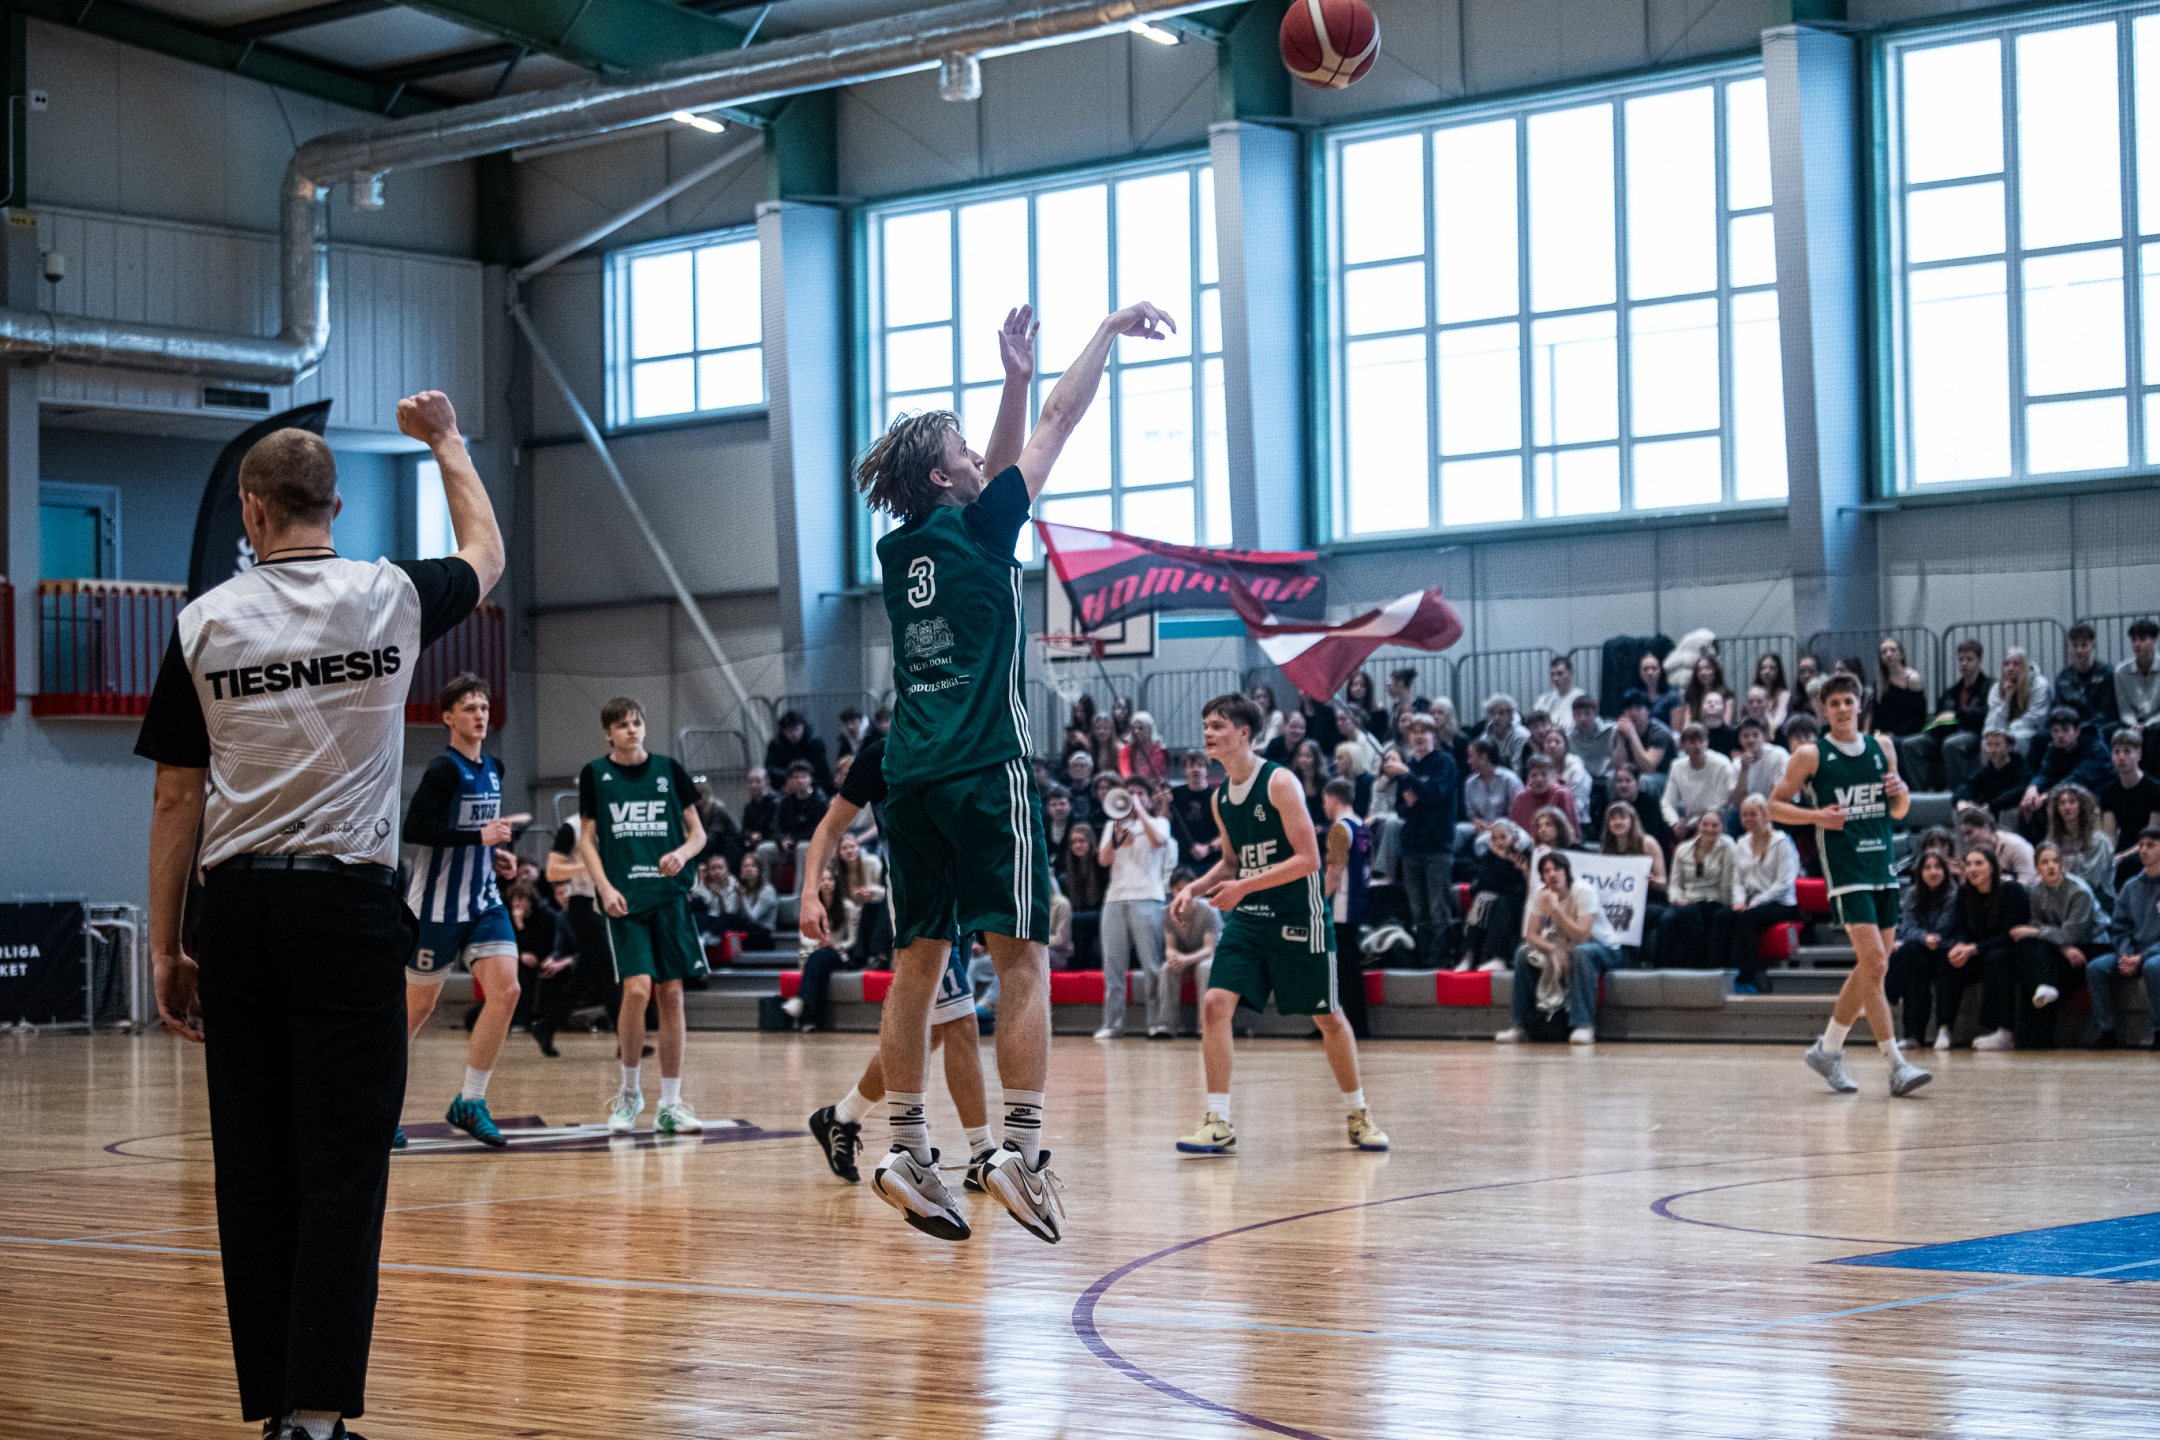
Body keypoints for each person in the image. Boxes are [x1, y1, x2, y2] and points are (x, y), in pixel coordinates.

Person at [136, 391, 500, 1440]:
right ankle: (319, 1417)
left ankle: (273, 1407)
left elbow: (175, 797)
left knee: (254, 1165)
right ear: (335, 506)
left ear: (251, 511)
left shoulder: (202, 624)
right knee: (342, 1162)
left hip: (240, 913)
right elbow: (484, 552)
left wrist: (166, 946)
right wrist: (446, 442)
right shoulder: (389, 596)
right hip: (348, 911)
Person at [857, 297, 1170, 1244]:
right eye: (960, 448)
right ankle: (1020, 1153)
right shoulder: (985, 530)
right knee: (1021, 958)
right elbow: (1057, 425)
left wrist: (1011, 380)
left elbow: (992, 469)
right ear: (942, 475)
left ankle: (906, 1149)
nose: (976, 456)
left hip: (909, 778)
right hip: (985, 768)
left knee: (917, 965)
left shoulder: (901, 548)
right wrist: (1104, 333)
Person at [1169, 694, 1389, 1155]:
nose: (1207, 732)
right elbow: (1232, 862)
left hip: (1297, 915)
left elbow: (1309, 860)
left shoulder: (1280, 782)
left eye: (1217, 725)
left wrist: (1243, 887)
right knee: (1214, 1004)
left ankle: (1359, 1113)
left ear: (1244, 733)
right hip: (1250, 918)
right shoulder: (1221, 798)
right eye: (1205, 725)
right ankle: (1218, 1120)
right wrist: (1194, 888)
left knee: (1328, 1016)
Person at [800, 733, 998, 1193]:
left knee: (931, 1032)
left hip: (959, 898)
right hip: (919, 901)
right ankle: (983, 1155)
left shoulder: (966, 739)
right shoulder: (883, 753)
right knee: (962, 1022)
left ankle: (842, 1116)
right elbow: (829, 828)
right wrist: (809, 894)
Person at [1771, 672, 1933, 1097]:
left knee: (1874, 967)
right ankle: (1895, 1064)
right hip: (1846, 870)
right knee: (1875, 962)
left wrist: (1902, 791)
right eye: (1835, 703)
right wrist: (1816, 817)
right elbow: (1774, 806)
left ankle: (1828, 1049)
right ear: (1824, 710)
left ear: (1860, 705)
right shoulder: (1811, 755)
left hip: (1883, 864)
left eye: (1849, 701)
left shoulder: (1883, 747)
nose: (1843, 709)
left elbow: (1898, 811)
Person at [398, 674, 523, 1150]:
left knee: (507, 991)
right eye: (470, 708)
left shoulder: (495, 767)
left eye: (484, 707)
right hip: (435, 906)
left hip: (484, 900)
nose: (480, 715)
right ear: (448, 717)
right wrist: (479, 838)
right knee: (416, 1009)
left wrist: (497, 854)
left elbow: (482, 832)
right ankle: (379, 1105)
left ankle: (471, 1101)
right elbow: (415, 829)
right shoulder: (442, 770)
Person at [576, 698, 709, 1135]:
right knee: (636, 991)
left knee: (672, 994)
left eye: (636, 722)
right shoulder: (596, 775)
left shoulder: (669, 770)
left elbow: (698, 833)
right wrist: (604, 887)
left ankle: (670, 1104)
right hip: (625, 899)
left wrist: (681, 853)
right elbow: (587, 841)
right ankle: (629, 1094)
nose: (631, 729)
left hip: (669, 896)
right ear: (608, 734)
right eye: (622, 725)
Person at [1495, 852, 1622, 1046]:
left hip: (1606, 948)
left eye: (1557, 869)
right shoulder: (1541, 895)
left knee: (1582, 952)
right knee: (1523, 953)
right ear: (1542, 877)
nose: (1552, 874)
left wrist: (1555, 909)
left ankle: (1584, 1025)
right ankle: (1519, 1026)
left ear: (1566, 872)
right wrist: (1553, 949)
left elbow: (1583, 935)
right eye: (1546, 871)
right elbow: (1531, 936)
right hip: (1567, 947)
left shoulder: (1583, 891)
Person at [1095, 777, 1175, 1040]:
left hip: (1148, 898)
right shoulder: (1112, 824)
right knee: (1113, 966)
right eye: (1130, 793)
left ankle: (1156, 1023)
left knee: (1151, 965)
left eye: (1141, 793)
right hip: (1114, 899)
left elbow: (1159, 841)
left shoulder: (1159, 822)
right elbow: (1103, 859)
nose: (1134, 797)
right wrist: (1116, 836)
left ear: (1149, 799)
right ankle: (1113, 1023)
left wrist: (1140, 812)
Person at [1384, 711, 1459, 967]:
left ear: (1433, 736)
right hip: (1411, 845)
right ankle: (1425, 957)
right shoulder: (1409, 767)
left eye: (1423, 731)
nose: (1418, 736)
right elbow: (1401, 807)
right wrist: (1411, 802)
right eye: (1413, 732)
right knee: (1418, 909)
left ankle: (1441, 959)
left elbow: (1436, 794)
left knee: (1438, 907)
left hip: (1437, 844)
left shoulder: (1444, 763)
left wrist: (1410, 779)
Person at [1938, 845, 2029, 1052]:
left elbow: (2011, 934)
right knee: (1947, 961)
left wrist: (1974, 949)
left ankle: (2004, 1032)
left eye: (1979, 863)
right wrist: (1960, 946)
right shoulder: (1964, 893)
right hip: (1979, 951)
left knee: (1997, 958)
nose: (1972, 869)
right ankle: (1944, 1028)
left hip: (2010, 951)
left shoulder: (2011, 890)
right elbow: (1962, 929)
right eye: (1968, 864)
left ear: (1993, 867)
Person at [2012, 842, 2098, 1048]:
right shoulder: (2036, 891)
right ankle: (2031, 1037)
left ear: (2062, 864)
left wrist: (2036, 932)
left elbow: (2070, 934)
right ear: (2037, 868)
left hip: (2090, 946)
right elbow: (2040, 924)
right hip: (2062, 947)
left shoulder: (2079, 892)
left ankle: (2034, 1039)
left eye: (2055, 861)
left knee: (2042, 973)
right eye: (2045, 862)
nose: (2051, 866)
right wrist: (2062, 947)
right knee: (2028, 952)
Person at [1718, 795, 1804, 994]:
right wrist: (1739, 900)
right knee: (1723, 916)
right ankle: (1717, 974)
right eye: (1744, 815)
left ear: (1765, 815)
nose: (1748, 818)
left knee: (1746, 919)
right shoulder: (1741, 843)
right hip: (1751, 902)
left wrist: (1756, 902)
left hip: (1782, 904)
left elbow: (1784, 883)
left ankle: (1745, 980)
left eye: (1753, 814)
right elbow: (1737, 880)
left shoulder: (1781, 842)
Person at [2088, 825, 2160, 1050]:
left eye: (2151, 845)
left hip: (2155, 952)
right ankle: (2107, 1031)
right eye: (2141, 845)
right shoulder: (2130, 886)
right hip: (2132, 950)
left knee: (2154, 967)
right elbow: (2120, 927)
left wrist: (2143, 957)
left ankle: (2158, 1031)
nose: (2144, 850)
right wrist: (2125, 954)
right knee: (2096, 968)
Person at [1885, 850, 1958, 1049]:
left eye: (1938, 867)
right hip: (1922, 948)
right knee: (1912, 959)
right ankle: (1913, 1036)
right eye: (1927, 867)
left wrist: (1927, 938)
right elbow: (1908, 928)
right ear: (1920, 872)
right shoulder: (1912, 894)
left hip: (1947, 948)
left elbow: (1946, 928)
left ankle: (1886, 993)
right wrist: (1924, 938)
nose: (1933, 872)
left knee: (1909, 953)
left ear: (1945, 871)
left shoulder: (1955, 894)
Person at [1321, 778, 1373, 1039]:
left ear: (1333, 798)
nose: (1324, 807)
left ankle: (1347, 1025)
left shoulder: (1340, 829)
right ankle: (1354, 1024)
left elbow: (1334, 873)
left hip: (1341, 905)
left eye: (1324, 801)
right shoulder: (1362, 826)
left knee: (1341, 968)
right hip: (1359, 902)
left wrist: (1317, 901)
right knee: (1349, 967)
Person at [1902, 638, 1990, 791]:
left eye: (1969, 659)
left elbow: (1983, 715)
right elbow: (1938, 714)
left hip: (1973, 732)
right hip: (1946, 732)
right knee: (1909, 744)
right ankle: (1920, 791)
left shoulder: (1988, 687)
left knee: (1951, 744)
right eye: (1961, 659)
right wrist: (1936, 723)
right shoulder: (1951, 691)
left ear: (1979, 661)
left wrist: (1957, 716)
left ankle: (1959, 792)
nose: (1964, 663)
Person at [1657, 808, 1739, 969]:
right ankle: (1661, 969)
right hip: (1685, 900)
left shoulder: (1727, 847)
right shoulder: (1682, 849)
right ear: (1698, 826)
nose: (1709, 829)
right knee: (1667, 919)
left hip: (1713, 900)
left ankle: (1698, 966)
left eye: (1715, 825)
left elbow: (1727, 885)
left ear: (1722, 828)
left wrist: (1725, 906)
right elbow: (1674, 884)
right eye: (1705, 824)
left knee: (1688, 914)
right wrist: (1677, 899)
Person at [2019, 708, 2112, 836]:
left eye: (2065, 730)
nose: (2060, 735)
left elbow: (2078, 778)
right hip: (2068, 790)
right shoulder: (2054, 749)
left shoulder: (2095, 748)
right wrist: (2032, 788)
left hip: (2099, 794)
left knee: (2057, 803)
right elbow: (2045, 773)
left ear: (2077, 731)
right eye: (2055, 731)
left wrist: (2047, 795)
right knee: (2028, 805)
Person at [1599, 802, 1666, 965]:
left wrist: (1651, 880)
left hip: (1650, 900)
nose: (1617, 822)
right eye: (1613, 819)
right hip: (1619, 901)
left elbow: (1663, 882)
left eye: (1622, 818)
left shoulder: (1647, 843)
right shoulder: (1607, 847)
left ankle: (1635, 965)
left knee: (1631, 917)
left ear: (1632, 820)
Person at [1461, 820, 1532, 972]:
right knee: (1482, 899)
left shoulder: (1525, 854)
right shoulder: (1490, 855)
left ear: (1514, 836)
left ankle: (1498, 958)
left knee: (1502, 903)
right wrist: (1500, 858)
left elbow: (1523, 888)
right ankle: (1469, 956)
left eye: (1503, 837)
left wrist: (1508, 862)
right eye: (1494, 838)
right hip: (1500, 898)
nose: (1498, 842)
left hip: (1520, 901)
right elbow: (1483, 885)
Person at [2099, 729, 2160, 887]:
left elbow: (2152, 834)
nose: (2121, 757)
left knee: (2130, 865)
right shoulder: (2108, 792)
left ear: (2138, 755)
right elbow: (2110, 835)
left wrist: (2123, 856)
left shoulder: (2155, 789)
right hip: (2124, 846)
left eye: (2127, 751)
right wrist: (2110, 856)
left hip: (2150, 846)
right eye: (2117, 752)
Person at [1162, 866, 1222, 1023]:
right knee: (1167, 968)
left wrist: (1186, 959)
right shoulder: (1167, 913)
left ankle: (1205, 1026)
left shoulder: (1209, 911)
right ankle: (1165, 1026)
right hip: (1187, 958)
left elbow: (1209, 950)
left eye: (1187, 889)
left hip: (1213, 958)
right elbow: (1169, 948)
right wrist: (1174, 957)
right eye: (1178, 889)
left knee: (1204, 968)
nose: (1183, 894)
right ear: (1172, 890)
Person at [2044, 783, 2116, 908]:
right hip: (2061, 895)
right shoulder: (2053, 841)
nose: (2067, 807)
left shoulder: (2098, 840)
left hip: (2095, 897)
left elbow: (2093, 879)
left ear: (2082, 805)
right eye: (2062, 803)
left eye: (2072, 802)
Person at [1662, 723, 1737, 839]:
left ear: (1707, 743)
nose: (1697, 746)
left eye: (1701, 741)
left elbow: (1720, 803)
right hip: (1690, 821)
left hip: (1718, 819)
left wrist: (1690, 824)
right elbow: (1667, 802)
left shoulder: (1721, 764)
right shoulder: (1677, 766)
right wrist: (1675, 824)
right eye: (1692, 742)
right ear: (1683, 745)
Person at [1459, 737, 1524, 855]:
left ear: (1483, 758)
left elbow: (1517, 812)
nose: (1468, 761)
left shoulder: (1509, 779)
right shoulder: (1470, 782)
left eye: (1471, 756)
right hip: (1482, 826)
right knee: (1458, 830)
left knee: (1481, 841)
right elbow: (1470, 813)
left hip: (1507, 828)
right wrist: (1478, 822)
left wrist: (1494, 827)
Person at [1985, 648, 2051, 754]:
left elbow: (2036, 718)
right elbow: (1993, 721)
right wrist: (2007, 699)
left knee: (2018, 738)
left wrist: (2009, 732)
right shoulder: (1996, 688)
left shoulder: (2039, 685)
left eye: (2016, 664)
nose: (2010, 668)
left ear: (2025, 667)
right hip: (2005, 730)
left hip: (2031, 731)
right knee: (1986, 742)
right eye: (2006, 664)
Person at [2054, 624, 2117, 735]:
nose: (2079, 650)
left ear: (2093, 646)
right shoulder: (2062, 678)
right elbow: (2060, 711)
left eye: (2084, 645)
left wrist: (2087, 726)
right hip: (2071, 729)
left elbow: (2108, 710)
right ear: (2069, 648)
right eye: (2075, 646)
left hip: (2100, 726)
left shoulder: (2106, 673)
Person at [1955, 728, 2028, 822]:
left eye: (1997, 745)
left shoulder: (2020, 768)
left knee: (2010, 812)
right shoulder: (1987, 770)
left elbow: (2019, 791)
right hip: (1988, 810)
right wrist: (1962, 801)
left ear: (2010, 747)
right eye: (1989, 745)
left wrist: (1991, 805)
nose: (1992, 750)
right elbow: (1968, 785)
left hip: (2006, 811)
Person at [1958, 803, 2038, 888]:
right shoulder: (1975, 852)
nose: (1966, 840)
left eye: (1969, 833)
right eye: (1964, 835)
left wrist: (2007, 892)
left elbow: (2028, 880)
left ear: (1985, 828)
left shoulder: (2015, 845)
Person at [2117, 620, 2160, 769]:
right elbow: (2124, 708)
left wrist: (2147, 725)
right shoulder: (2121, 671)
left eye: (2142, 639)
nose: (2137, 644)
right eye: (2134, 640)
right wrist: (2133, 723)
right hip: (2132, 721)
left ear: (2153, 639)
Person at [1613, 689, 1675, 791]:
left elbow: (1649, 767)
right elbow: (1619, 767)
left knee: (1643, 780)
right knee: (1613, 779)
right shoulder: (1622, 730)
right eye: (1629, 709)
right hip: (1635, 774)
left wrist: (1632, 735)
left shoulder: (1659, 732)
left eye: (1638, 708)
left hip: (1663, 777)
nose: (1633, 713)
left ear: (1647, 711)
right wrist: (1621, 740)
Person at [1062, 823, 1106, 968]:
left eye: (1081, 841)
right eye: (1073, 842)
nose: (1077, 845)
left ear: (1090, 841)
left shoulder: (1100, 863)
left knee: (1076, 920)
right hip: (1080, 912)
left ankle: (1078, 965)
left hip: (1102, 912)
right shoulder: (1070, 866)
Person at [1168, 751, 1221, 870]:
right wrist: (1164, 804)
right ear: (1185, 771)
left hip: (1212, 862)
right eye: (1191, 766)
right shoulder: (1175, 795)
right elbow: (1164, 823)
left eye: (1200, 765)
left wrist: (1208, 848)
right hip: (1182, 863)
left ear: (1207, 770)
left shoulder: (1217, 797)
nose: (1195, 769)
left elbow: (1227, 834)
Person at [764, 708, 834, 792]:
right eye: (789, 731)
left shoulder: (815, 743)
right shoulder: (776, 744)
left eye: (797, 729)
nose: (794, 734)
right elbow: (770, 768)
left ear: (803, 727)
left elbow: (823, 772)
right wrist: (787, 779)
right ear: (783, 731)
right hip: (784, 786)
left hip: (813, 786)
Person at [1533, 654, 1588, 728]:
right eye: (1552, 674)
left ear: (1570, 673)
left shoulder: (1581, 698)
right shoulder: (1544, 700)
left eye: (1560, 673)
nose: (1555, 678)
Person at [1119, 711, 1169, 781]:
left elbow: (1150, 773)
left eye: (1141, 728)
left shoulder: (1158, 750)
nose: (1136, 731)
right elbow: (1124, 772)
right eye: (1134, 728)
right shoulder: (1127, 749)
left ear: (1150, 730)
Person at [1755, 653, 1792, 731]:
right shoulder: (1754, 694)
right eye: (1763, 668)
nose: (1767, 671)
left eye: (1772, 668)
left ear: (1778, 672)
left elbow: (1778, 723)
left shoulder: (1784, 695)